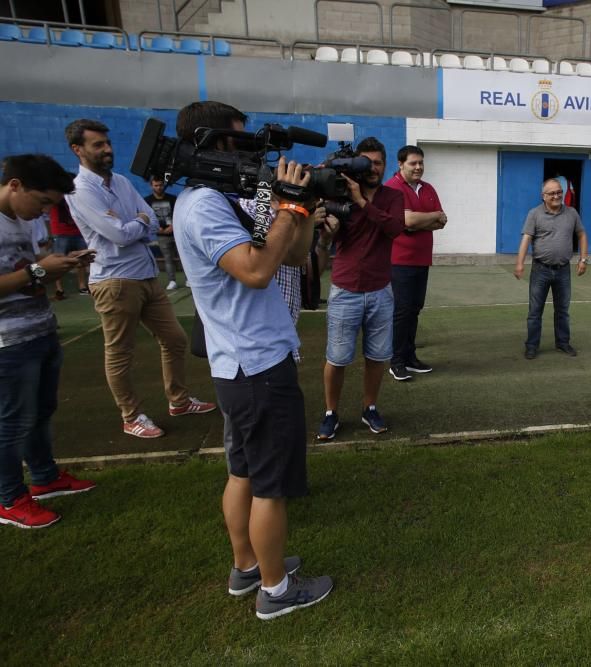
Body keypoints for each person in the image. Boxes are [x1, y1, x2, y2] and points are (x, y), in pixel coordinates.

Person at [171, 100, 333, 619]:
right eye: (240, 141)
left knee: (243, 472)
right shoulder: (202, 205)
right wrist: (285, 205)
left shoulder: (219, 199)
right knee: (270, 484)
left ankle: (247, 567)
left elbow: (289, 253)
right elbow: (257, 271)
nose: (250, 153)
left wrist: (300, 208)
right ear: (214, 143)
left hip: (242, 362)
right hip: (255, 363)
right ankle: (276, 591)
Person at [64, 118, 215, 439]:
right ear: (78, 150)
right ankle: (131, 416)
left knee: (174, 339)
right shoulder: (79, 190)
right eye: (98, 145)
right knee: (120, 352)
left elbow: (143, 222)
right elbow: (119, 234)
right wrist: (140, 220)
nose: (107, 149)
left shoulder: (119, 181)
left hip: (146, 274)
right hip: (114, 281)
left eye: (107, 143)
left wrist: (139, 220)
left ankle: (179, 400)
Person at [0, 154, 96, 529]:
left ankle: (44, 478)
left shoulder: (23, 219)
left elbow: (27, 267)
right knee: (10, 423)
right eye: (42, 202)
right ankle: (9, 498)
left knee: (40, 412)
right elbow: (27, 271)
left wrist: (58, 263)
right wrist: (39, 270)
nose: (43, 211)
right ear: (15, 185)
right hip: (8, 343)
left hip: (39, 330)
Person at [315, 137, 405, 440]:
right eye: (366, 163)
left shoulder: (392, 197)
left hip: (380, 290)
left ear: (385, 165)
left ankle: (369, 407)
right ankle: (331, 412)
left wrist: (363, 201)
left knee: (377, 357)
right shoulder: (338, 195)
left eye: (378, 163)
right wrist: (328, 234)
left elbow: (394, 228)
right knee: (337, 358)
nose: (372, 168)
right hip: (345, 289)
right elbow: (327, 241)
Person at [384, 145, 447, 382]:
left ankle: (410, 357)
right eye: (413, 163)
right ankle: (396, 361)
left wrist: (416, 221)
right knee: (401, 312)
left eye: (421, 162)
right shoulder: (392, 187)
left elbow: (442, 219)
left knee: (414, 309)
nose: (418, 167)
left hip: (422, 260)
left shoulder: (428, 188)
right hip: (399, 261)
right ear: (401, 164)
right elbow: (406, 220)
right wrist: (421, 219)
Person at [514, 177, 589, 359]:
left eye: (559, 192)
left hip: (563, 270)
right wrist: (519, 263)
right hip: (541, 270)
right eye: (552, 193)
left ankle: (563, 343)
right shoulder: (535, 214)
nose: (556, 196)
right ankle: (532, 345)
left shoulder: (572, 213)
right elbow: (526, 239)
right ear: (543, 196)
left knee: (562, 311)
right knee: (535, 311)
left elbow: (581, 234)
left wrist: (583, 260)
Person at [49, 199, 90, 298]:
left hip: (78, 230)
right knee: (57, 261)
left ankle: (82, 286)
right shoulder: (56, 193)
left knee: (81, 259)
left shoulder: (75, 192)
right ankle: (59, 289)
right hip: (60, 231)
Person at [144, 175, 180, 290]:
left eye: (161, 185)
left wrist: (174, 225)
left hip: (177, 233)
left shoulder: (173, 198)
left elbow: (179, 214)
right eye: (156, 185)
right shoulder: (147, 201)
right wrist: (156, 228)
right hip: (161, 235)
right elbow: (147, 217)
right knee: (168, 258)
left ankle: (190, 279)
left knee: (184, 257)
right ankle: (172, 281)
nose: (159, 187)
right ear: (151, 186)